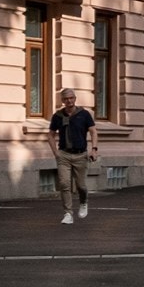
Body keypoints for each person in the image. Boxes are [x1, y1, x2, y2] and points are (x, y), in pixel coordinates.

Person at [49, 88, 98, 224]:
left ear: (75, 99)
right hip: (64, 155)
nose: (69, 101)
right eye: (66, 99)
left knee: (80, 185)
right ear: (62, 101)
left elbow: (93, 132)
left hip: (80, 155)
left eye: (71, 98)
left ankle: (83, 202)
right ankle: (68, 214)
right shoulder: (58, 116)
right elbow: (51, 135)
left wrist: (94, 149)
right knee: (64, 184)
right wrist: (56, 153)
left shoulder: (84, 114)